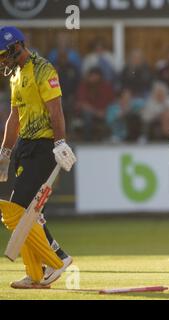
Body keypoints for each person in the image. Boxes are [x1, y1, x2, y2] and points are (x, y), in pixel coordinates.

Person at [0, 26, 76, 288]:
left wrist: (60, 142)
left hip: (44, 147)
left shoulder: (43, 69)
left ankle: (57, 258)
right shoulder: (15, 77)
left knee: (16, 212)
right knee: (25, 212)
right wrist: (5, 152)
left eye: (3, 55)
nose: (2, 61)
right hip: (25, 147)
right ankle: (37, 273)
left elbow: (56, 110)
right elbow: (13, 118)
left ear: (15, 47)